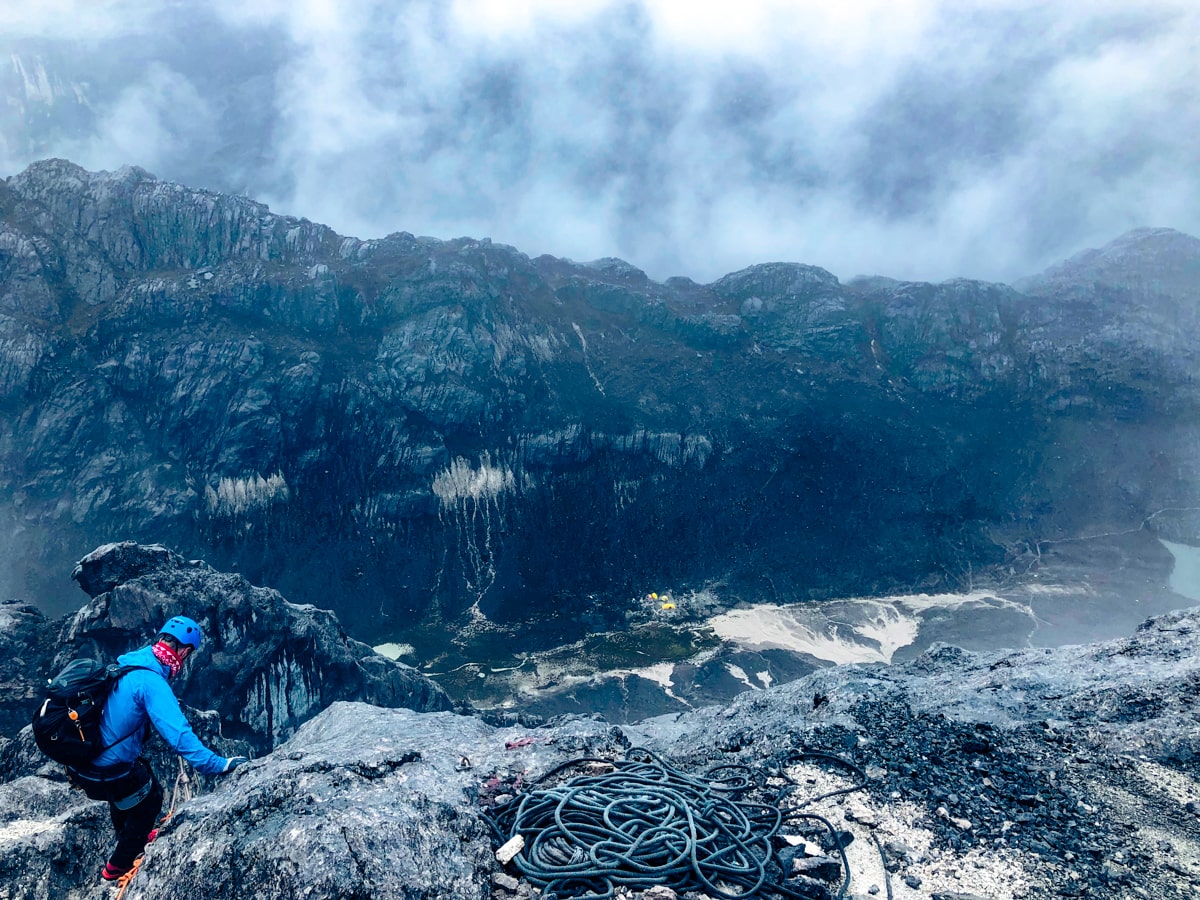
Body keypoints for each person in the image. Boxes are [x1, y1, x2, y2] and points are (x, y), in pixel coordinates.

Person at [68, 616, 248, 883]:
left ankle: (131, 835)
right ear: (185, 652)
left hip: (81, 763)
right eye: (187, 655)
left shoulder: (131, 661)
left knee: (138, 776)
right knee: (150, 795)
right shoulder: (151, 682)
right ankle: (120, 864)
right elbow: (179, 737)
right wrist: (217, 764)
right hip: (102, 772)